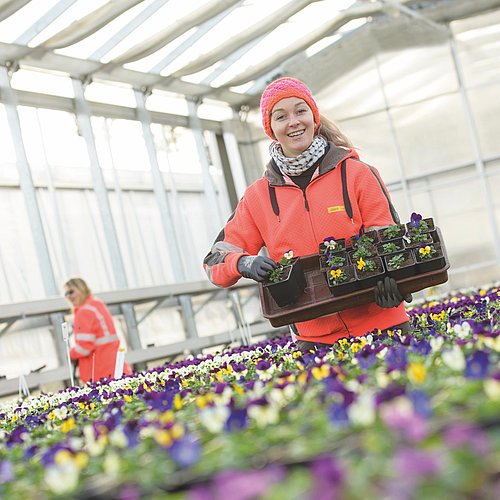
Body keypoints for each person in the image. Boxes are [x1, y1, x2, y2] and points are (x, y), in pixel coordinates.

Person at [203, 77, 412, 351]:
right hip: (314, 343)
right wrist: (244, 263)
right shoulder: (258, 197)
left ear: (313, 116)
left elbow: (387, 236)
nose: (293, 122)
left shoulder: (358, 174)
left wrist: (396, 284)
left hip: (383, 327)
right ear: (271, 129)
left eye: (300, 111)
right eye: (281, 116)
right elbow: (214, 262)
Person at [64, 277, 132, 384]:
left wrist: (70, 354)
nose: (69, 297)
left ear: (81, 290)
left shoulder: (84, 312)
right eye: (66, 294)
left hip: (101, 371)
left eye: (71, 292)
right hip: (115, 365)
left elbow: (84, 348)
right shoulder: (97, 304)